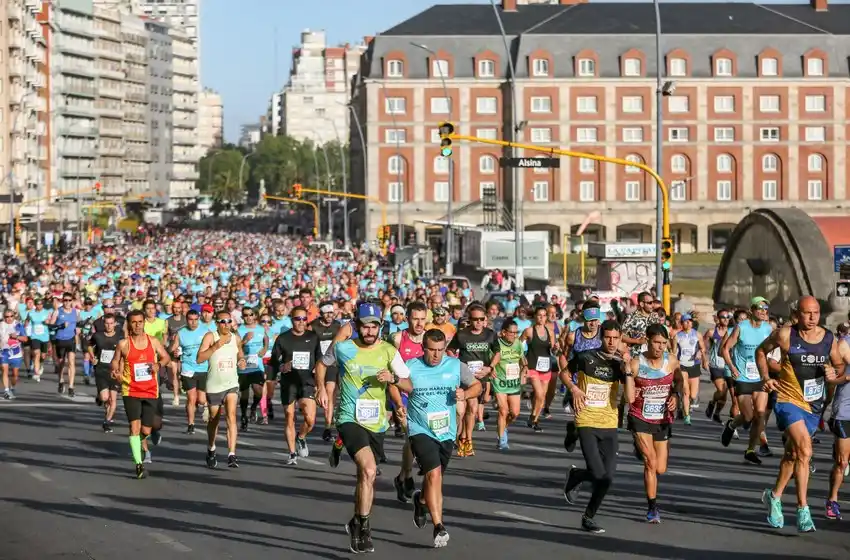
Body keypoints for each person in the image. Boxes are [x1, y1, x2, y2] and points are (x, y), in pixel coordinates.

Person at [315, 302, 410, 554]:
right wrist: (321, 388)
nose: (369, 331)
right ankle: (364, 529)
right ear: (357, 326)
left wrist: (394, 379)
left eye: (374, 326)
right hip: (349, 418)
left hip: (377, 422)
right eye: (365, 326)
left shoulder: (389, 351)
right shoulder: (344, 348)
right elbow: (322, 365)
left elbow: (409, 383)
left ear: (380, 327)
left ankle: (357, 519)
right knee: (368, 471)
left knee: (364, 477)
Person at [757, 296, 843, 532]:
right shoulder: (785, 335)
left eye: (816, 313)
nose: (813, 317)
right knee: (805, 449)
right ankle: (802, 509)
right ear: (798, 314)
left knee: (793, 456)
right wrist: (766, 379)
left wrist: (831, 373)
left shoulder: (827, 338)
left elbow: (839, 365)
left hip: (814, 405)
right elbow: (761, 352)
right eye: (807, 313)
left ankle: (774, 496)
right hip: (788, 400)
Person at [394, 328, 482, 548]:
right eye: (431, 350)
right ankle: (439, 525)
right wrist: (398, 405)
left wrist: (466, 394)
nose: (436, 355)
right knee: (434, 476)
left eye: (440, 350)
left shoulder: (454, 365)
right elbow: (395, 384)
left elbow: (476, 386)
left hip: (446, 431)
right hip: (420, 429)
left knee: (434, 477)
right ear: (423, 348)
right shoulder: (411, 366)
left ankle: (421, 500)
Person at [562, 320, 629, 533]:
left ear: (620, 339)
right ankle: (579, 474)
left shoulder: (620, 364)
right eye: (608, 337)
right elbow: (564, 372)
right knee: (598, 473)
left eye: (615, 338)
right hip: (586, 420)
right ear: (601, 337)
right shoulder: (585, 357)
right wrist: (574, 388)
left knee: (607, 478)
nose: (611, 342)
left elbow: (629, 396)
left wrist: (628, 372)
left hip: (609, 422)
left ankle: (587, 515)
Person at [625, 323, 679, 524]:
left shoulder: (671, 361)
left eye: (664, 343)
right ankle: (652, 508)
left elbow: (680, 380)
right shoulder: (636, 364)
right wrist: (629, 378)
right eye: (657, 342)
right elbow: (628, 397)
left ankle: (639, 448)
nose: (660, 347)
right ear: (647, 340)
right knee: (651, 462)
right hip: (640, 417)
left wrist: (676, 395)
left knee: (661, 468)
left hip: (662, 419)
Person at [109, 310, 171, 479]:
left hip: (151, 390)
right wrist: (115, 371)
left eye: (140, 322)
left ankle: (140, 444)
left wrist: (159, 364)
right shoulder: (124, 344)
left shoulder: (153, 341)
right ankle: (139, 464)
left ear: (144, 322)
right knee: (134, 428)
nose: (137, 325)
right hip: (131, 390)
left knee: (146, 429)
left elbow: (166, 357)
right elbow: (115, 361)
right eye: (134, 322)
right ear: (129, 324)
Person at [721, 297, 774, 464]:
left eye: (766, 308)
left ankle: (751, 449)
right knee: (748, 416)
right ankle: (731, 425)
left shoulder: (768, 328)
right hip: (743, 377)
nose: (764, 311)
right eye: (760, 308)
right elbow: (725, 349)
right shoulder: (741, 327)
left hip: (760, 377)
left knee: (760, 414)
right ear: (751, 310)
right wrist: (733, 368)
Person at [270, 305, 321, 465]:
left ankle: (301, 437)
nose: (301, 322)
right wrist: (282, 367)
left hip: (307, 381)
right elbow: (273, 362)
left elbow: (320, 361)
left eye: (304, 319)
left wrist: (321, 384)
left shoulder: (313, 337)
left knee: (310, 419)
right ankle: (292, 453)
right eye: (297, 319)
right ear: (292, 320)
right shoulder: (283, 338)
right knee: (289, 417)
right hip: (289, 382)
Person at [197, 309, 248, 469]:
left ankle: (232, 454)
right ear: (216, 324)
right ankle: (211, 448)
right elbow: (199, 358)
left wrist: (241, 361)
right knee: (214, 419)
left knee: (231, 415)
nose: (226, 325)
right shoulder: (211, 336)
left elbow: (240, 355)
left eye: (228, 321)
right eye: (222, 322)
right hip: (214, 385)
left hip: (231, 383)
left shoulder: (236, 338)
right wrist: (216, 346)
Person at [447, 303, 495, 457]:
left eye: (481, 319)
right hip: (463, 376)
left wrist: (490, 368)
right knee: (461, 410)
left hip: (479, 377)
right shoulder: (462, 334)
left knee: (473, 408)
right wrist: (455, 363)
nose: (478, 322)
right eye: (475, 319)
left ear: (485, 319)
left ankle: (467, 438)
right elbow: (450, 349)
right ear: (470, 319)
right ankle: (461, 437)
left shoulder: (490, 334)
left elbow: (497, 352)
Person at [391, 301, 427, 503]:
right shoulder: (397, 339)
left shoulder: (430, 338)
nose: (419, 323)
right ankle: (408, 478)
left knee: (415, 440)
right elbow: (390, 372)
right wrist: (397, 403)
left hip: (423, 396)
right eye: (415, 319)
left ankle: (403, 476)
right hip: (402, 394)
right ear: (407, 319)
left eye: (423, 319)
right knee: (411, 437)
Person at [488, 319, 525, 450]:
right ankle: (502, 440)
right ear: (503, 332)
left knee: (514, 413)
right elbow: (491, 359)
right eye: (512, 333)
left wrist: (524, 370)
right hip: (500, 381)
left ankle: (503, 428)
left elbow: (522, 359)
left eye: (516, 333)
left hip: (514, 382)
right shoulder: (496, 344)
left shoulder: (518, 344)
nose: (514, 335)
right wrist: (491, 369)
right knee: (503, 411)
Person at [826, 325, 850, 520]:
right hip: (844, 412)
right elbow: (831, 379)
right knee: (842, 462)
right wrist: (846, 377)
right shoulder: (842, 345)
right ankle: (832, 500)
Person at [521, 306, 557, 432]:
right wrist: (522, 361)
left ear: (546, 317)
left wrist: (556, 348)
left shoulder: (550, 332)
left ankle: (534, 419)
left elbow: (552, 350)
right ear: (535, 316)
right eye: (539, 315)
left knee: (542, 396)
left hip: (545, 366)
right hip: (532, 365)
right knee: (540, 394)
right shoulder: (529, 331)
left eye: (544, 315)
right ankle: (533, 418)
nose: (541, 318)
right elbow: (518, 346)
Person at [310, 301, 341, 441]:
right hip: (319, 363)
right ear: (321, 314)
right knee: (325, 393)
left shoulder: (338, 326)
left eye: (332, 312)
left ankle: (328, 426)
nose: (330, 315)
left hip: (334, 364)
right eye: (327, 313)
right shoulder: (313, 326)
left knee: (331, 392)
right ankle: (328, 423)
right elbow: (309, 345)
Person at [174, 309, 209, 434]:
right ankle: (191, 424)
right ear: (186, 320)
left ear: (198, 319)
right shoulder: (181, 333)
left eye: (195, 319)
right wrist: (175, 352)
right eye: (190, 320)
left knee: (201, 399)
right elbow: (173, 348)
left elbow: (212, 348)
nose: (193, 322)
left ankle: (204, 406)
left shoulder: (206, 331)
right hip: (188, 368)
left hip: (203, 368)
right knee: (191, 398)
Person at [88, 313, 123, 432]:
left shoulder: (120, 336)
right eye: (107, 323)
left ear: (115, 324)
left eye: (111, 323)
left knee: (113, 400)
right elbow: (89, 345)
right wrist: (93, 357)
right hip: (101, 370)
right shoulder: (97, 336)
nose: (109, 326)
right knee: (105, 398)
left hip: (115, 371)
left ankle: (107, 421)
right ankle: (99, 397)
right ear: (104, 324)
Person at [237, 305, 269, 431]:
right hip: (243, 366)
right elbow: (235, 346)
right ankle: (244, 416)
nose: (249, 317)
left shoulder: (260, 329)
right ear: (242, 317)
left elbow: (266, 339)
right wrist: (244, 341)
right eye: (246, 315)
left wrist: (265, 348)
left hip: (257, 366)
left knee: (259, 391)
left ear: (254, 316)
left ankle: (254, 407)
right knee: (244, 395)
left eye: (251, 314)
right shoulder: (239, 330)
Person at [675, 313, 706, 426]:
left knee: (693, 395)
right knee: (685, 392)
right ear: (681, 323)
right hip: (682, 365)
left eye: (690, 321)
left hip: (694, 365)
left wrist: (699, 353)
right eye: (685, 321)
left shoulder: (697, 335)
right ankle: (687, 416)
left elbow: (703, 348)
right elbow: (674, 352)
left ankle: (687, 406)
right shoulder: (677, 336)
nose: (688, 323)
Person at [48, 292, 79, 396]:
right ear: (62, 301)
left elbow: (78, 324)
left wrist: (79, 329)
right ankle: (61, 380)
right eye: (65, 300)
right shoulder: (57, 311)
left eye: (69, 300)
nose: (67, 302)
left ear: (72, 301)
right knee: (61, 363)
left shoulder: (76, 312)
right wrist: (61, 326)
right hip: (60, 340)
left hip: (71, 340)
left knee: (71, 362)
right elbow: (51, 326)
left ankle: (71, 387)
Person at [704, 309, 732, 423]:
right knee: (721, 390)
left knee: (724, 395)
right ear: (718, 318)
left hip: (729, 365)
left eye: (728, 317)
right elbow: (703, 346)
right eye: (723, 317)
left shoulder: (733, 332)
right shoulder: (711, 332)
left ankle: (716, 413)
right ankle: (712, 403)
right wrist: (704, 359)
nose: (725, 319)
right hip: (716, 365)